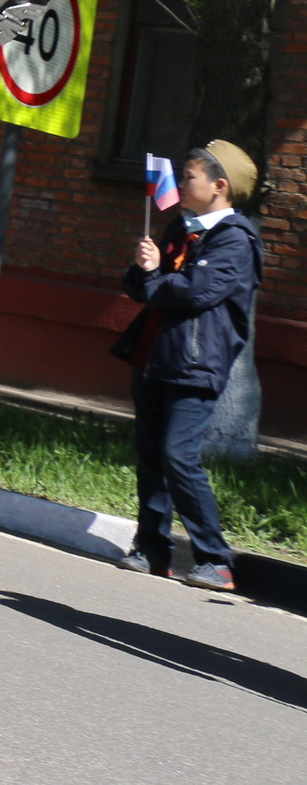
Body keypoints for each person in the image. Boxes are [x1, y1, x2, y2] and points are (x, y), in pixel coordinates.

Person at [113, 141, 266, 592]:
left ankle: (215, 559)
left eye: (189, 178)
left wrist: (157, 275)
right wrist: (143, 270)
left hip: (196, 364)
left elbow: (197, 292)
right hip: (155, 355)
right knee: (151, 458)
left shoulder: (236, 239)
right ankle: (152, 550)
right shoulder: (180, 227)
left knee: (179, 456)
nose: (180, 185)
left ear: (219, 186)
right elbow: (142, 285)